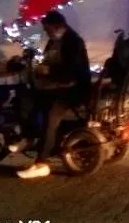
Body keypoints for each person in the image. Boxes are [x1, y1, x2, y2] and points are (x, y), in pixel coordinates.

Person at [17, 10, 91, 180]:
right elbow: (49, 61)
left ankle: (41, 163)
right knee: (25, 98)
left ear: (58, 26)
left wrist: (49, 70)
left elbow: (75, 71)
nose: (45, 32)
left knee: (51, 117)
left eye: (47, 28)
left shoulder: (74, 42)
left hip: (72, 90)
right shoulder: (54, 40)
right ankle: (29, 137)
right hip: (54, 86)